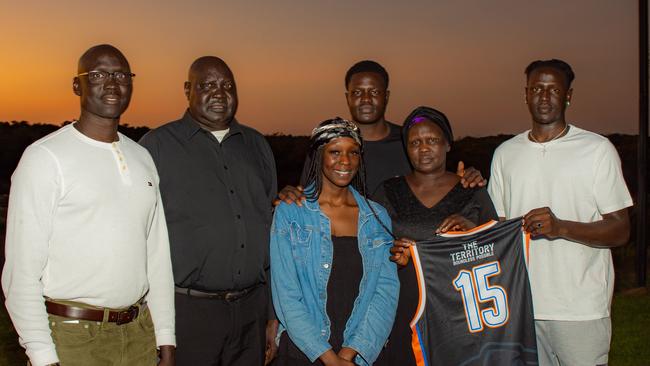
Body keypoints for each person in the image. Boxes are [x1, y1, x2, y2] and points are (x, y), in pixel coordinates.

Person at [2, 44, 175, 366]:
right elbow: (21, 272)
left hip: (139, 334)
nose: (112, 83)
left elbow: (157, 257)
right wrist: (41, 355)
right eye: (97, 75)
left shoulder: (142, 157)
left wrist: (165, 337)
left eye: (122, 75)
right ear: (76, 85)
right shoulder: (45, 158)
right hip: (72, 338)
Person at [487, 59, 633, 366]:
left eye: (554, 89)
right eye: (537, 88)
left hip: (580, 309)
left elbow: (621, 230)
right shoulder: (505, 154)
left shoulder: (597, 149)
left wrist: (561, 227)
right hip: (523, 306)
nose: (544, 96)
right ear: (525, 94)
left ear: (568, 96)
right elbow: (497, 228)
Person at [139, 56, 278, 365]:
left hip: (251, 311)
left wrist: (272, 314)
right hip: (187, 314)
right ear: (188, 89)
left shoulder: (256, 145)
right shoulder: (156, 146)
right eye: (208, 85)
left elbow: (269, 228)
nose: (219, 93)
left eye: (228, 85)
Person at [373, 106, 498, 365]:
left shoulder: (471, 190)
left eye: (432, 140)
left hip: (460, 313)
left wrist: (471, 232)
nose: (424, 148)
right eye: (415, 142)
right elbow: (369, 245)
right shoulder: (388, 191)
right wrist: (392, 252)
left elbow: (498, 249)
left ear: (448, 145)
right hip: (403, 308)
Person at [271, 118, 399, 366]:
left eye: (353, 152)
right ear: (318, 156)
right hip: (304, 352)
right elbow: (286, 295)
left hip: (359, 354)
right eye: (335, 152)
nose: (345, 161)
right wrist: (330, 359)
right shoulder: (291, 213)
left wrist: (349, 354)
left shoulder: (376, 217)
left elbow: (385, 293)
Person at [278, 60, 485, 205]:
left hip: (400, 257)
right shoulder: (328, 146)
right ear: (347, 97)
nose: (366, 99)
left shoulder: (408, 142)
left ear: (386, 96)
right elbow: (307, 196)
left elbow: (439, 184)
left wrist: (465, 181)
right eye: (357, 92)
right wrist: (291, 195)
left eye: (374, 92)